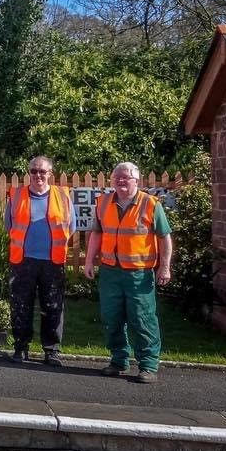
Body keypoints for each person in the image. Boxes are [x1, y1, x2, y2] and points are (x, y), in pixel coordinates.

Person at [85, 161, 175, 384]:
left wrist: (164, 267)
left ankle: (148, 366)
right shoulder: (104, 203)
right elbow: (96, 234)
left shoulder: (151, 204)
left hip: (139, 275)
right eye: (117, 177)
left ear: (137, 180)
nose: (121, 181)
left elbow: (165, 238)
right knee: (111, 318)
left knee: (142, 320)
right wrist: (89, 261)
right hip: (110, 272)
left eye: (126, 177)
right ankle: (118, 361)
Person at [6, 156, 75, 366]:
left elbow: (70, 227)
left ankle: (51, 351)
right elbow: (8, 224)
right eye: (33, 171)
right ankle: (21, 347)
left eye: (42, 172)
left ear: (50, 174)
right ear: (29, 173)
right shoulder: (16, 195)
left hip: (52, 261)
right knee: (20, 305)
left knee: (53, 306)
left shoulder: (62, 196)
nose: (38, 175)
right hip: (22, 260)